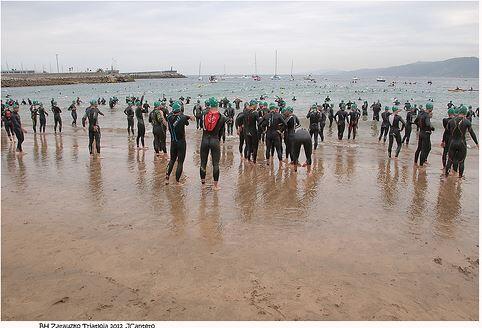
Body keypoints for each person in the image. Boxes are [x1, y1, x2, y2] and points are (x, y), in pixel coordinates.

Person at [445, 105, 478, 178]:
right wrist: (477, 143)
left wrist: (444, 141)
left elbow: (446, 132)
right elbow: (472, 133)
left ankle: (446, 177)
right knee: (461, 161)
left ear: (459, 111)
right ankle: (460, 178)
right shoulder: (467, 122)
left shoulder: (451, 121)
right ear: (465, 113)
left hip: (452, 143)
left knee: (450, 160)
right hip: (462, 143)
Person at [200, 97, 226, 190]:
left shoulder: (204, 114)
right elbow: (221, 131)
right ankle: (215, 186)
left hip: (204, 140)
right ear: (218, 105)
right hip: (215, 140)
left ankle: (203, 185)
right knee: (215, 164)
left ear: (209, 105)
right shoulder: (222, 117)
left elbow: (201, 126)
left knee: (203, 162)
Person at [165, 101, 193, 184]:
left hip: (173, 142)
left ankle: (167, 178)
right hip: (181, 143)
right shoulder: (183, 117)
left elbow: (176, 115)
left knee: (172, 160)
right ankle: (177, 181)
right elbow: (186, 121)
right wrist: (190, 117)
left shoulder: (169, 117)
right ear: (180, 110)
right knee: (180, 162)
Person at [414, 102, 435, 167]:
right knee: (425, 149)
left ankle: (415, 162)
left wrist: (420, 126)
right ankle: (421, 164)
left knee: (419, 148)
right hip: (426, 134)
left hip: (421, 133)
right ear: (430, 108)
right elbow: (428, 124)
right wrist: (432, 128)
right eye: (432, 108)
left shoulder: (420, 114)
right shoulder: (427, 115)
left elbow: (415, 121)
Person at [242, 99, 261, 163]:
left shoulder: (245, 112)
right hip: (253, 132)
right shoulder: (255, 113)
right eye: (256, 105)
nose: (257, 106)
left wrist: (240, 126)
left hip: (247, 131)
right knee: (255, 147)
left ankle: (248, 159)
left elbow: (239, 119)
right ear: (254, 105)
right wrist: (262, 119)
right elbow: (259, 123)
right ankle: (254, 161)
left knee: (249, 146)